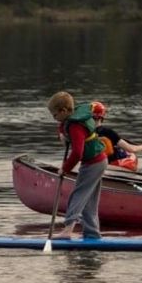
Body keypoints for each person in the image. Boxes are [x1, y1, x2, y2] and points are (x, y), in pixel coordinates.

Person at [48, 91, 107, 240]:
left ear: (64, 111)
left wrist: (65, 169)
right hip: (98, 161)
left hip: (93, 163)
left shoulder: (75, 126)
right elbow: (63, 128)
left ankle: (68, 230)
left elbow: (77, 153)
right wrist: (62, 134)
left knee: (78, 195)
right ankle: (92, 234)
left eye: (55, 115)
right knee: (89, 199)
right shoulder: (70, 121)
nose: (54, 119)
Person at [89, 102, 142, 170]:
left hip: (92, 164)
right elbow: (131, 149)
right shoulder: (109, 132)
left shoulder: (83, 131)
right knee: (125, 153)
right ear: (103, 115)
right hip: (109, 164)